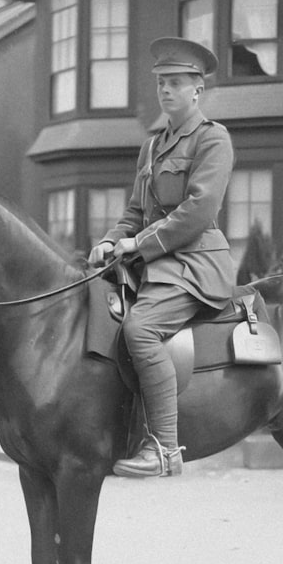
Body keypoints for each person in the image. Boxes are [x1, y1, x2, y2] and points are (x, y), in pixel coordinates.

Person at [88, 37, 235, 477]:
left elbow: (199, 210)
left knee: (141, 328)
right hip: (151, 263)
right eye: (160, 84)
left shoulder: (213, 139)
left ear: (197, 90)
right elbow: (135, 211)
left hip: (195, 265)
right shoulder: (152, 147)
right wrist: (112, 240)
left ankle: (164, 450)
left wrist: (140, 245)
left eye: (175, 83)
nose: (166, 91)